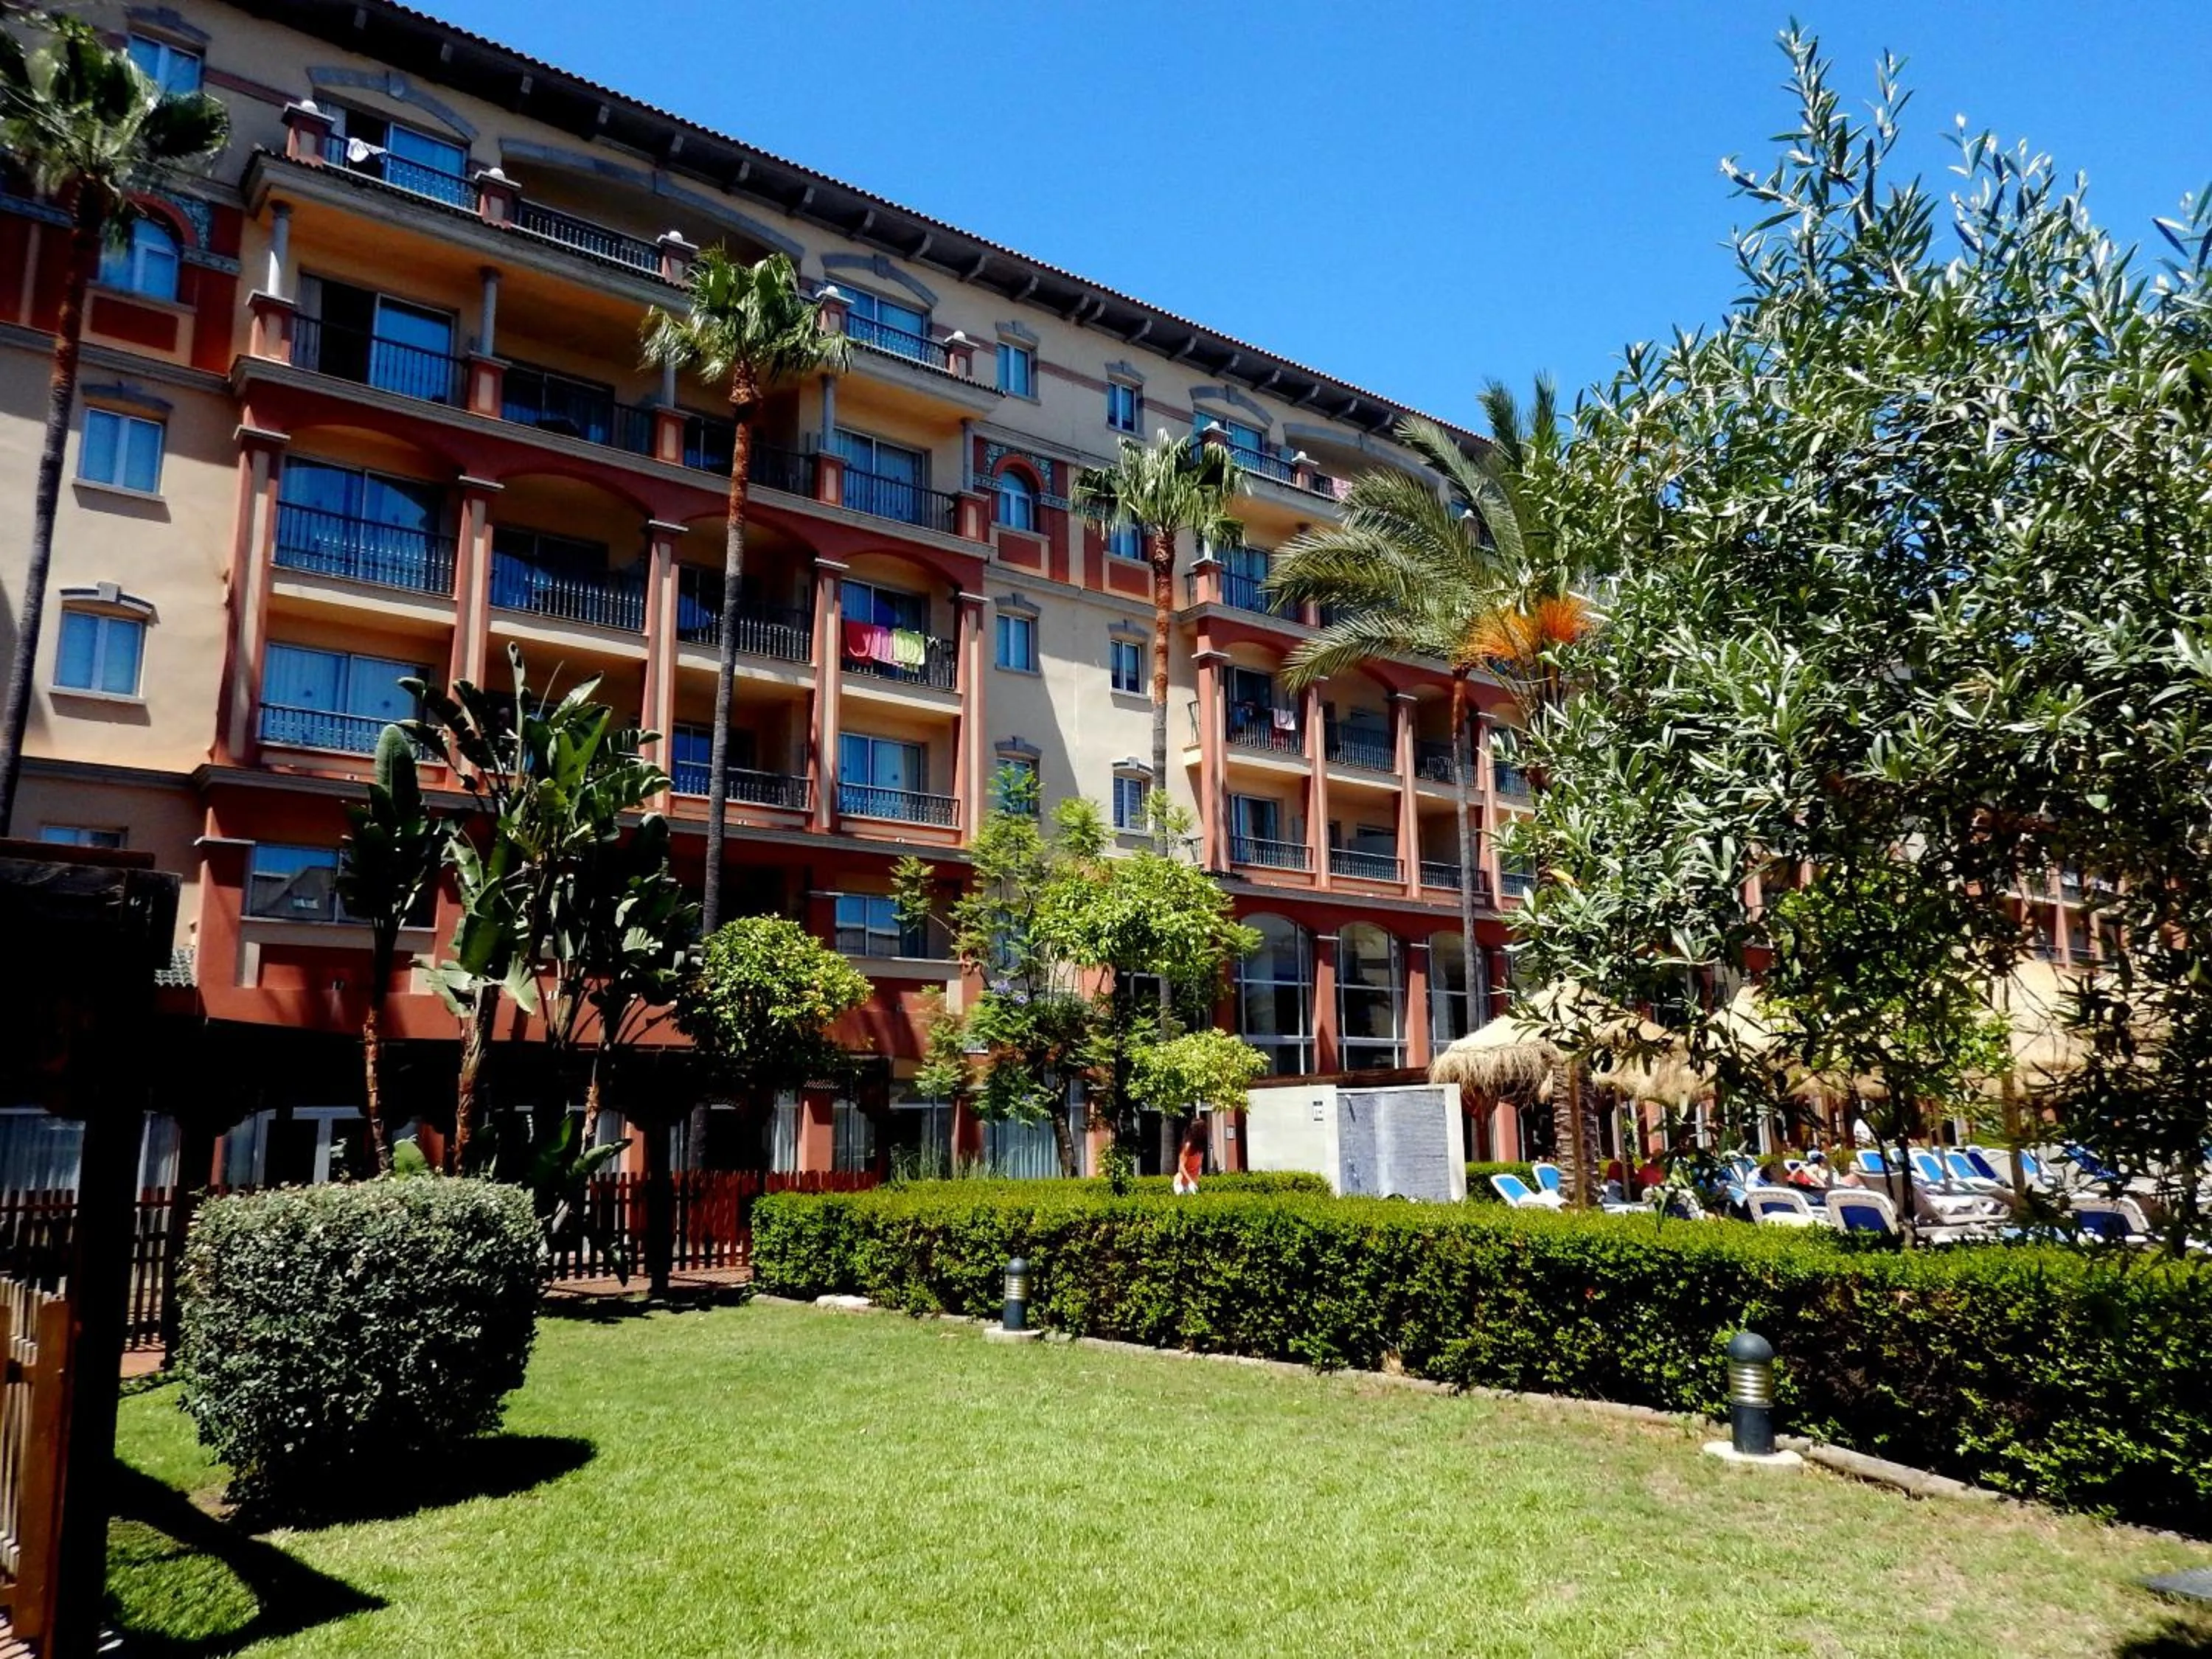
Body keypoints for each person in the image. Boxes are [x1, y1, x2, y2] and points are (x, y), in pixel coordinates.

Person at [1174, 1120, 1206, 1194]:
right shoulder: (1188, 1146)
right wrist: (1190, 1181)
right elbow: (1181, 1166)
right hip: (1181, 1184)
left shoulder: (1200, 1147)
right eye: (1203, 1128)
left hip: (1193, 1183)